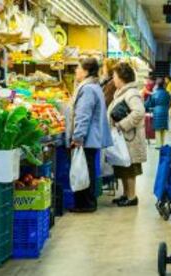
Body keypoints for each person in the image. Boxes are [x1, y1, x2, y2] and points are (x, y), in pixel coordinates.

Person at [68, 58, 113, 213]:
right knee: (88, 169)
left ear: (86, 71)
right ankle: (88, 202)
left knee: (84, 170)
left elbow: (83, 115)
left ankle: (85, 203)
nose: (76, 71)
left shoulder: (87, 89)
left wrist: (77, 137)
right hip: (93, 137)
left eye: (78, 68)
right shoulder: (94, 86)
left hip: (87, 138)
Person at [108, 62, 147, 207]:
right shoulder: (123, 92)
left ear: (122, 77)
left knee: (130, 169)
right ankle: (125, 194)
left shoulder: (131, 93)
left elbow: (139, 112)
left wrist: (122, 125)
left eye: (115, 76)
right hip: (124, 138)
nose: (113, 79)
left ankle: (132, 197)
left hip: (130, 138)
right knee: (124, 168)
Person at [145, 77, 170, 148]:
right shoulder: (167, 93)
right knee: (163, 129)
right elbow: (169, 102)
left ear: (157, 85)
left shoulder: (154, 93)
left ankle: (158, 145)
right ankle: (162, 144)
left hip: (157, 112)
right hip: (165, 112)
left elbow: (149, 104)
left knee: (157, 130)